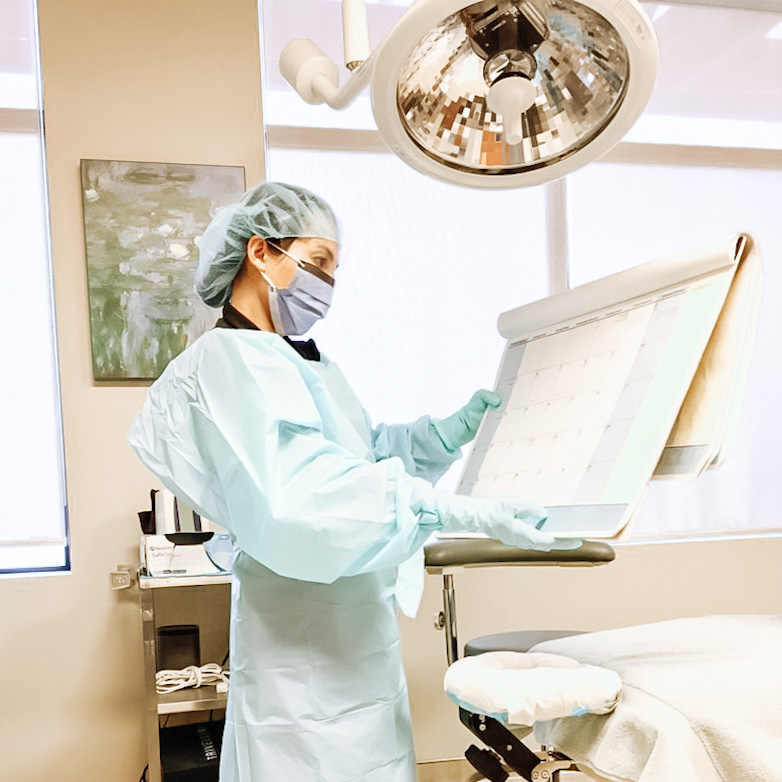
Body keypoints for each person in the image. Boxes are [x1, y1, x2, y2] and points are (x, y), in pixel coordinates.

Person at [127, 181, 569, 782]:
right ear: (260, 253)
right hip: (300, 652)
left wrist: (442, 435)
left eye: (333, 271)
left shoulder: (304, 360)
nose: (327, 287)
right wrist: (455, 511)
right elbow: (302, 497)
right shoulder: (230, 362)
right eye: (316, 265)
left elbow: (363, 456)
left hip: (356, 631)